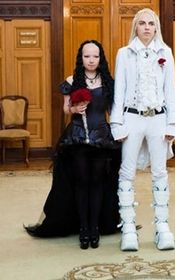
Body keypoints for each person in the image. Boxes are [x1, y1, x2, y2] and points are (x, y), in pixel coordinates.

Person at [24, 40, 121, 250]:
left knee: (97, 182)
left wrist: (119, 133)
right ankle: (83, 228)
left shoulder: (108, 81)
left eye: (95, 56)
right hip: (77, 137)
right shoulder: (71, 80)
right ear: (81, 58)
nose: (91, 60)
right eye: (87, 56)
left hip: (102, 137)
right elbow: (66, 109)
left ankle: (94, 228)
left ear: (100, 58)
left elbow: (113, 111)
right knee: (81, 182)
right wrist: (75, 109)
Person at [110, 8, 175, 251]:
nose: (146, 28)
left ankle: (163, 227)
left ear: (156, 27)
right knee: (127, 172)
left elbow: (170, 90)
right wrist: (117, 123)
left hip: (158, 119)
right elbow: (118, 90)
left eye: (150, 23)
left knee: (160, 172)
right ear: (135, 27)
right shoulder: (124, 53)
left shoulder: (166, 53)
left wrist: (172, 122)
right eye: (141, 23)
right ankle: (128, 228)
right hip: (131, 118)